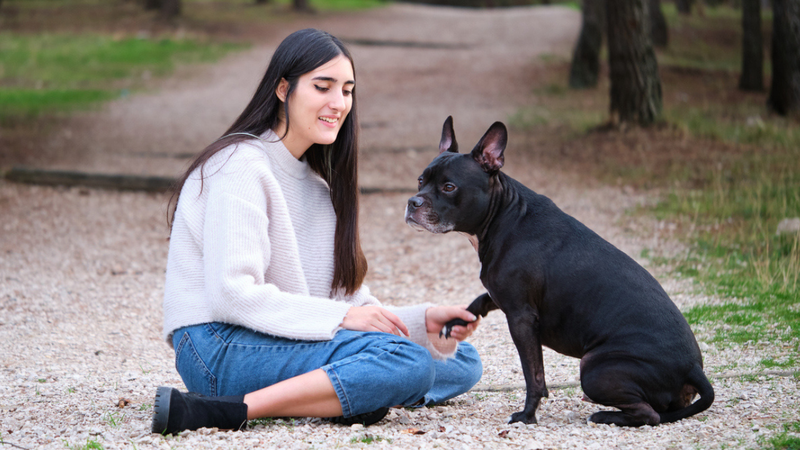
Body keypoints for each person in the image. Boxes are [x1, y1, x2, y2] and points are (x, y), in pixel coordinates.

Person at [151, 28, 483, 435]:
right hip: (216, 347)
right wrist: (350, 318)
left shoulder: (317, 185)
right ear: (282, 88)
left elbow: (344, 301)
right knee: (408, 364)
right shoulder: (240, 164)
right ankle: (225, 410)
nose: (338, 103)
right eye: (322, 87)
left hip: (273, 338)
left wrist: (422, 320)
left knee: (461, 361)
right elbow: (232, 296)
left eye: (347, 90)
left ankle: (348, 391)